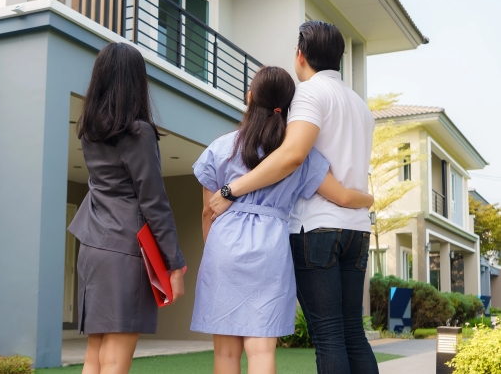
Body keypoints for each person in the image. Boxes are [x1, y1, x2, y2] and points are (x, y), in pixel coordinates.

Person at [209, 21, 378, 374]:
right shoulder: (360, 105)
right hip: (356, 230)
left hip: (318, 229)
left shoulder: (309, 93)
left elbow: (292, 156)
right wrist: (367, 201)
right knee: (352, 332)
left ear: (300, 55)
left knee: (330, 335)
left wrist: (231, 190)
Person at [68, 42, 185, 374]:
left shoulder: (90, 131)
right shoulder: (138, 132)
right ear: (136, 81)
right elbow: (153, 201)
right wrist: (174, 262)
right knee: (117, 359)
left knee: (95, 355)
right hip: (124, 248)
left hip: (92, 245)